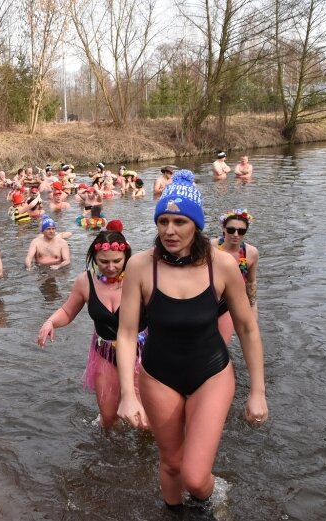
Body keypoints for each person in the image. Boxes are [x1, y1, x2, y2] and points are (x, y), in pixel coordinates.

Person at [115, 171, 268, 509]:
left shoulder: (223, 265)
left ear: (196, 225)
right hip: (158, 375)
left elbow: (246, 328)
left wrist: (257, 392)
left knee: (195, 477)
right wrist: (128, 394)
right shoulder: (141, 267)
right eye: (163, 221)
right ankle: (174, 513)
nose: (170, 230)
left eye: (180, 222)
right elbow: (126, 334)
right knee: (171, 463)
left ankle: (213, 495)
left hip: (211, 374)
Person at [37, 226, 145, 429]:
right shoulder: (84, 282)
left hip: (141, 354)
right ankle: (108, 454)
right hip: (104, 352)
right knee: (108, 417)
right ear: (94, 257)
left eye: (117, 261)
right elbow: (68, 312)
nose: (111, 267)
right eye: (104, 261)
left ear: (126, 257)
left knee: (143, 420)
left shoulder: (139, 279)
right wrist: (50, 321)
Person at [212, 209, 259, 344]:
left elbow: (251, 282)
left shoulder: (251, 253)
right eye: (231, 230)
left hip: (232, 301)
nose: (236, 234)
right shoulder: (210, 247)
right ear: (223, 228)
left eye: (241, 231)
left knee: (222, 344)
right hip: (210, 299)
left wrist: (252, 311)